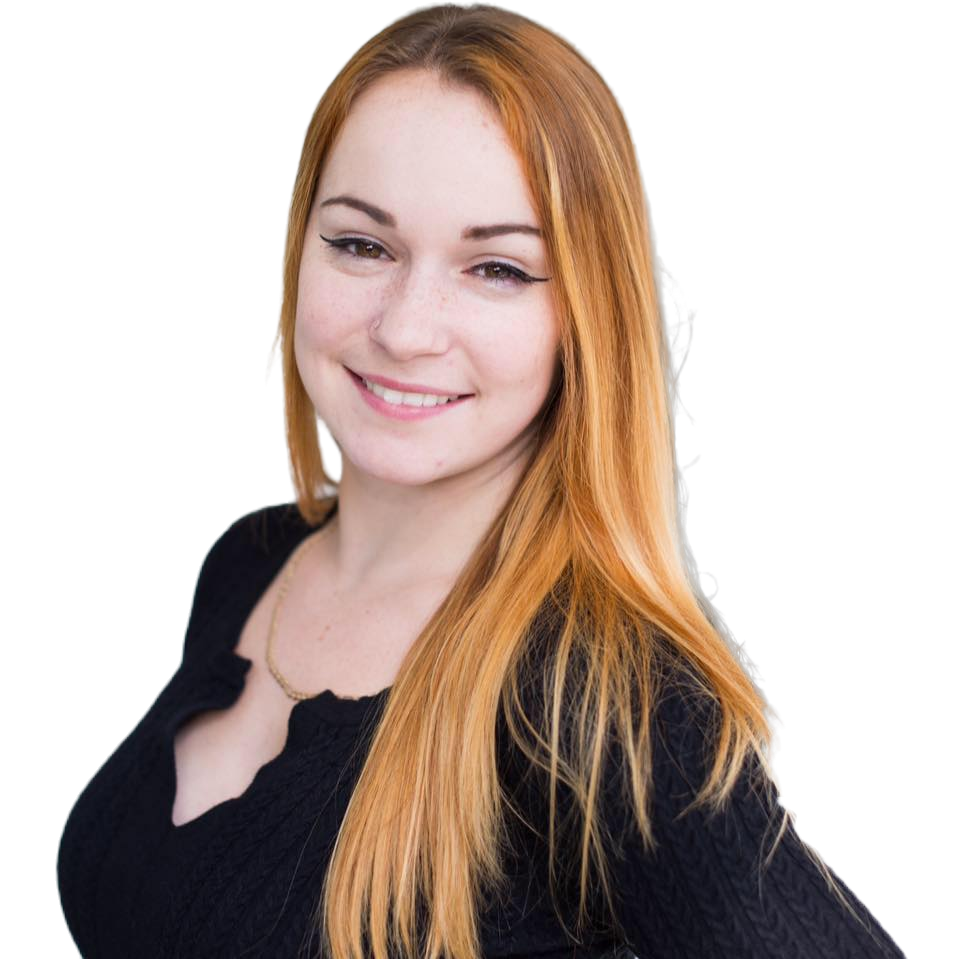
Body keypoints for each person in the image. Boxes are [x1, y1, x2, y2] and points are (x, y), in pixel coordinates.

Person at [57, 4, 907, 958]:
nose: (406, 328)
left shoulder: (603, 695)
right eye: (362, 244)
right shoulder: (252, 559)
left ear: (586, 316)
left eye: (498, 268)